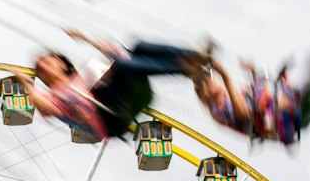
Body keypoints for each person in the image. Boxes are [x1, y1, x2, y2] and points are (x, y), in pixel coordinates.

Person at [26, 29, 208, 141]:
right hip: (108, 119)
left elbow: (113, 51)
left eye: (46, 62)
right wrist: (26, 84)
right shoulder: (53, 95)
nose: (42, 65)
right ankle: (185, 69)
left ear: (62, 63)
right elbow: (44, 109)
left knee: (136, 48)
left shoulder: (85, 74)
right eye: (39, 68)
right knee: (120, 66)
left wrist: (85, 37)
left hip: (116, 96)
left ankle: (192, 55)